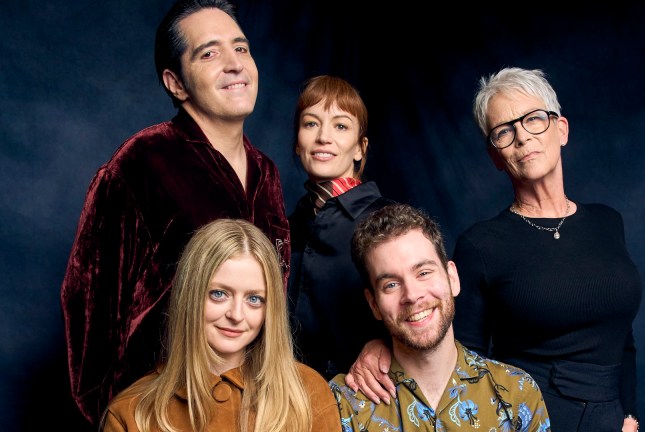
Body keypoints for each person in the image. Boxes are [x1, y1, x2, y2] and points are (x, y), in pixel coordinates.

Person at [345, 68, 643, 432]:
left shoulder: (607, 222)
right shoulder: (481, 245)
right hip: (531, 417)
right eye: (505, 131)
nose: (522, 138)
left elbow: (623, 335)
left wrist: (628, 415)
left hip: (613, 420)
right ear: (495, 155)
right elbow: (453, 351)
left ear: (561, 129)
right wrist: (381, 347)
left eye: (534, 119)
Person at [60, 0, 290, 425]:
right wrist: (116, 415)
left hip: (252, 409)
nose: (234, 64)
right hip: (162, 410)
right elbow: (88, 303)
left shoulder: (267, 174)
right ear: (176, 82)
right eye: (209, 53)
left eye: (240, 48)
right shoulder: (142, 162)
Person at [100, 218, 339, 432]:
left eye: (254, 299)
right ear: (190, 296)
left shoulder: (307, 393)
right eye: (219, 294)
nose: (236, 315)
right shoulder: (132, 413)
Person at [330, 203, 550, 432]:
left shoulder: (517, 393)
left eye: (423, 273)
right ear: (374, 304)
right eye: (391, 285)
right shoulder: (344, 406)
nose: (412, 295)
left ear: (452, 277)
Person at [287, 75, 394, 380]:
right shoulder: (284, 226)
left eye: (341, 125)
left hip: (362, 399)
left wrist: (383, 342)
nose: (323, 137)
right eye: (311, 124)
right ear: (297, 143)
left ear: (361, 148)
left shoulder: (390, 220)